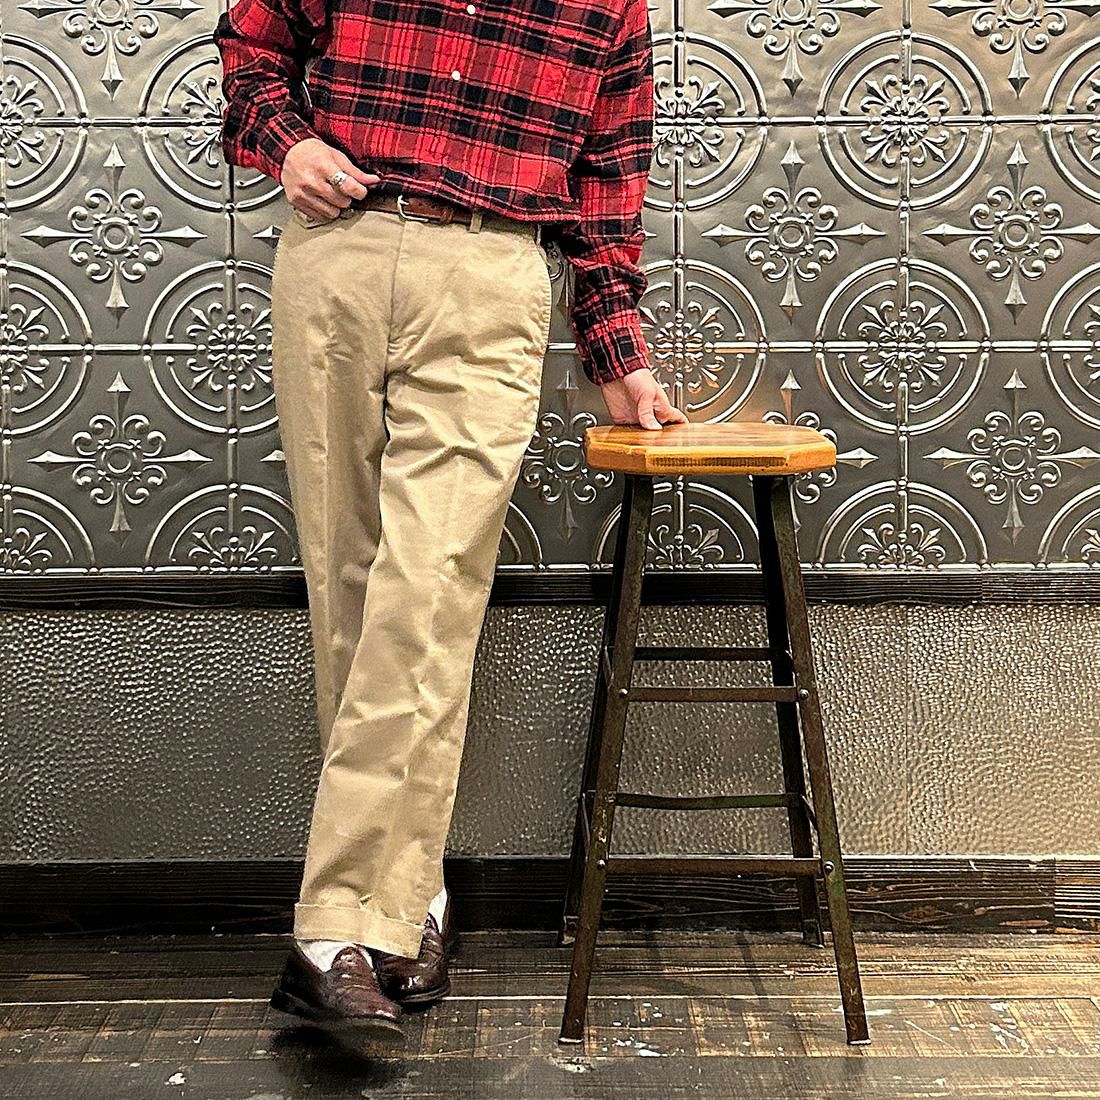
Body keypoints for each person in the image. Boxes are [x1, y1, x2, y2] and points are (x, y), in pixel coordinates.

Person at [213, 0, 687, 1037]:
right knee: (350, 595)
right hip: (336, 256)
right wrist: (288, 145)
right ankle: (407, 900)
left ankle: (328, 933)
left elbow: (609, 180)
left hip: (489, 272)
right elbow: (250, 45)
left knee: (424, 598)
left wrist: (616, 349)